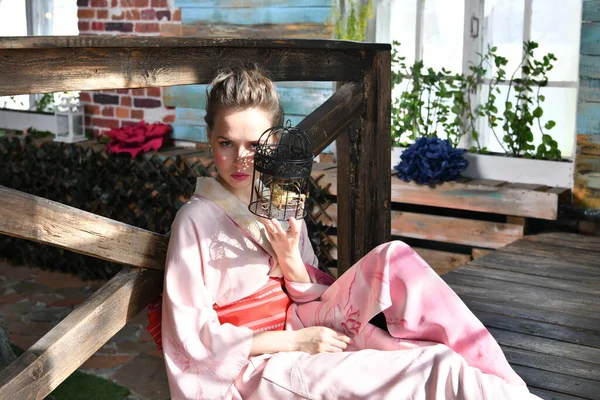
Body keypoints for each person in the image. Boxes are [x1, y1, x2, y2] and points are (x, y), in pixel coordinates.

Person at [150, 63, 541, 400]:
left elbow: (307, 294)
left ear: (274, 142)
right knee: (430, 370)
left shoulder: (281, 201)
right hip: (253, 366)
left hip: (302, 325)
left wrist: (289, 260)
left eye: (254, 144)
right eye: (225, 143)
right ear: (209, 139)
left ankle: (511, 389)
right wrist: (294, 343)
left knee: (403, 275)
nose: (240, 159)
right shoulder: (195, 222)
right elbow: (192, 339)